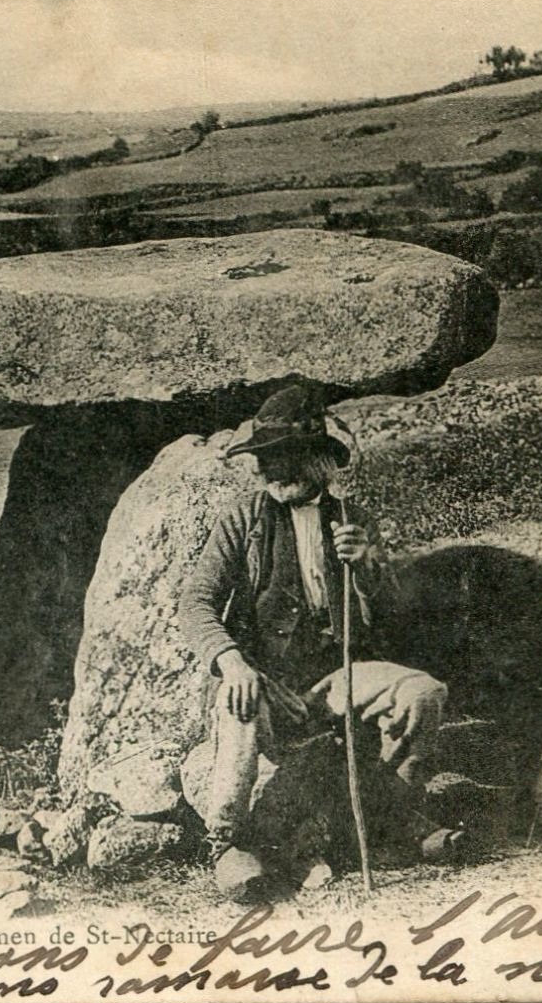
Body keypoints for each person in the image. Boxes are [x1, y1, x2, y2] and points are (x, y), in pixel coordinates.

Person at [176, 383, 453, 902]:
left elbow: (389, 621)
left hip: (338, 677)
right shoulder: (244, 520)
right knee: (239, 697)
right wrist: (231, 660)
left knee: (423, 693)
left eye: (285, 458)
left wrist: (368, 567)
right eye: (264, 459)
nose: (271, 471)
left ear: (321, 460)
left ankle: (389, 812)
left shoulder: (351, 520)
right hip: (266, 679)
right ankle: (228, 843)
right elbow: (195, 603)